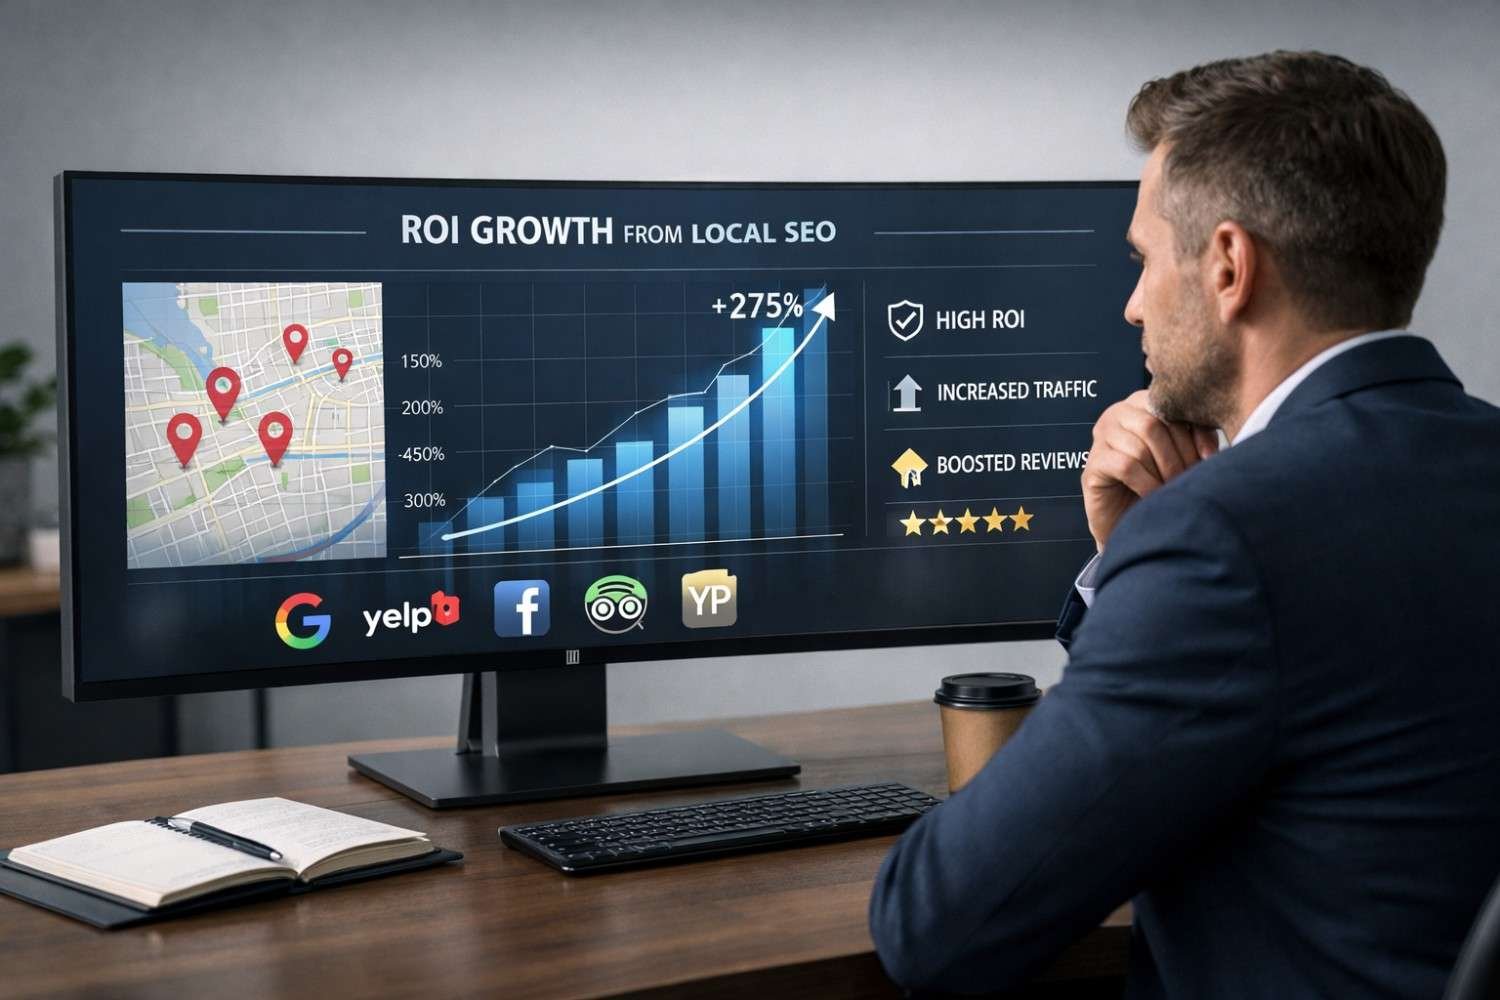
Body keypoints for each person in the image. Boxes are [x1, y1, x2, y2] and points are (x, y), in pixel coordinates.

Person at [868, 50, 1500, 998]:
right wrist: (1137, 570)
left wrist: (1155, 566)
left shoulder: (1225, 541)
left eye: (1144, 258)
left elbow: (938, 925)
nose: (1132, 303)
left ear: (1229, 266)